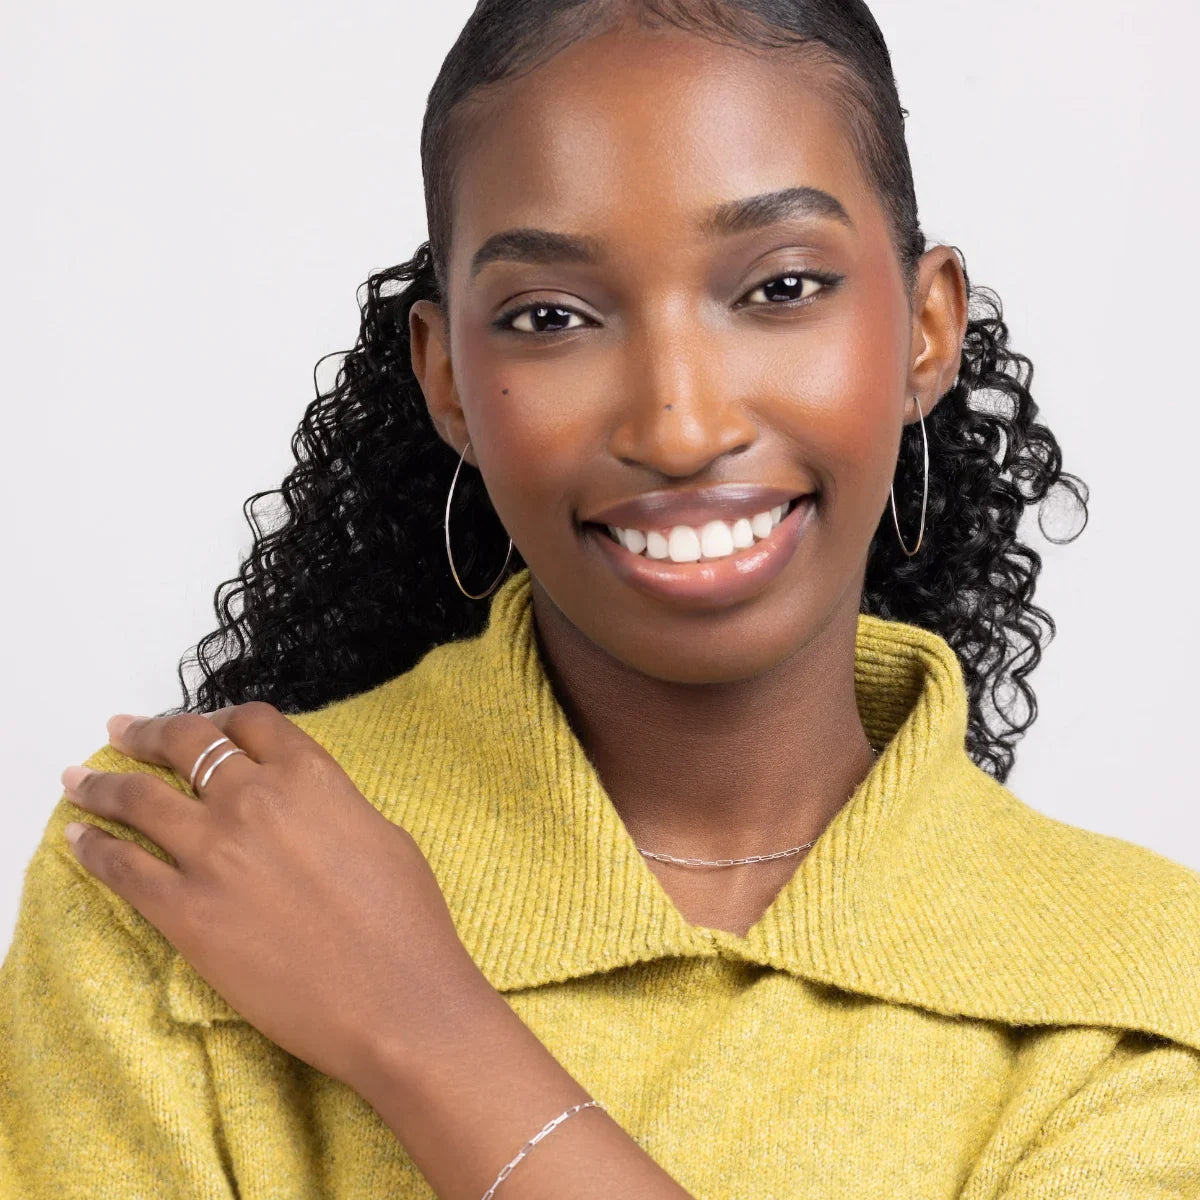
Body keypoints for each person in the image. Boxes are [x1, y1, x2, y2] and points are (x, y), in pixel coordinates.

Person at [3, 1, 1199, 1197]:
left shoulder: (1140, 984)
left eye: (781, 287)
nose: (679, 425)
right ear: (451, 381)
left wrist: (425, 1029)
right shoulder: (185, 875)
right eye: (551, 318)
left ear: (928, 331)